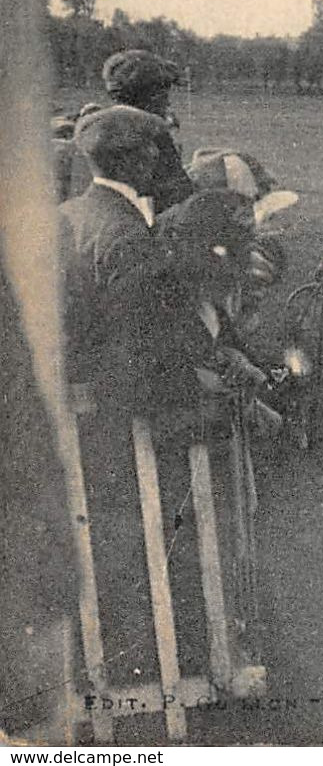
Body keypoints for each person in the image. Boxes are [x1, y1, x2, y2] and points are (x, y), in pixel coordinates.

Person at [57, 106, 216, 697]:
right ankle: (140, 662)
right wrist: (209, 377)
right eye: (157, 151)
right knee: (139, 538)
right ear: (138, 158)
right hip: (123, 416)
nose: (163, 161)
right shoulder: (126, 232)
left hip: (79, 412)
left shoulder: (70, 215)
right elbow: (150, 334)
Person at [101, 49, 196, 215]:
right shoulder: (154, 133)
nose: (167, 102)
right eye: (163, 93)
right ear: (150, 95)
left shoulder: (96, 128)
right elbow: (180, 195)